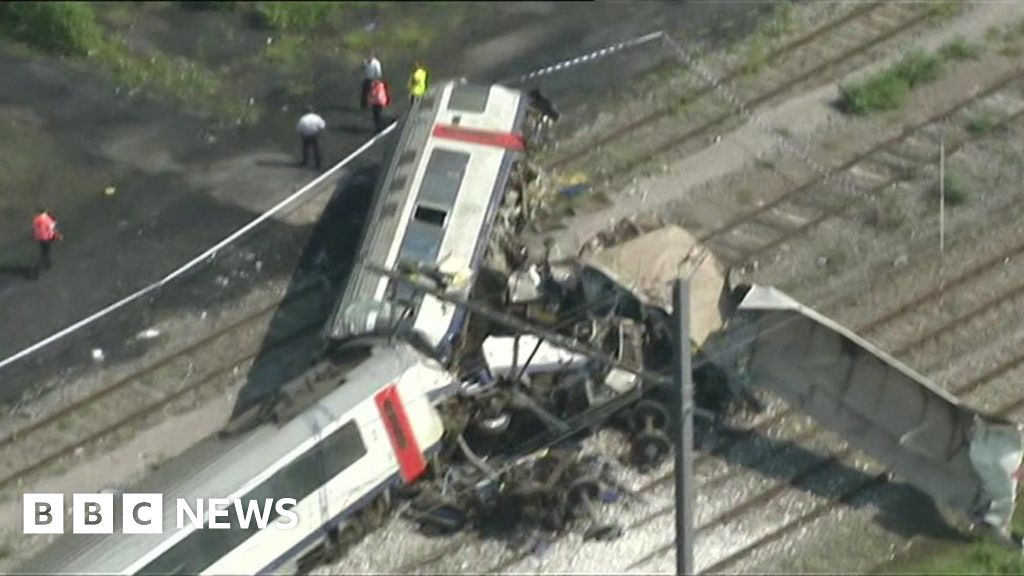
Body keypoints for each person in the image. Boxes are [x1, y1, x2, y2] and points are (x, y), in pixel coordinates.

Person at [32, 207, 62, 276]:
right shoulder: (47, 219)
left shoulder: (36, 219)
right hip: (47, 237)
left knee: (44, 251)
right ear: (45, 211)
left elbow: (35, 228)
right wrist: (58, 235)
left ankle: (47, 264)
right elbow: (52, 228)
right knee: (46, 252)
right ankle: (41, 266)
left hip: (39, 238)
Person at [296, 105, 327, 170]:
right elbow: (322, 126)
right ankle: (318, 163)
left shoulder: (302, 118)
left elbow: (299, 128)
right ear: (312, 111)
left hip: (306, 135)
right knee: (316, 149)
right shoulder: (317, 117)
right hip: (314, 135)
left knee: (305, 149)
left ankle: (305, 162)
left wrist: (303, 133)